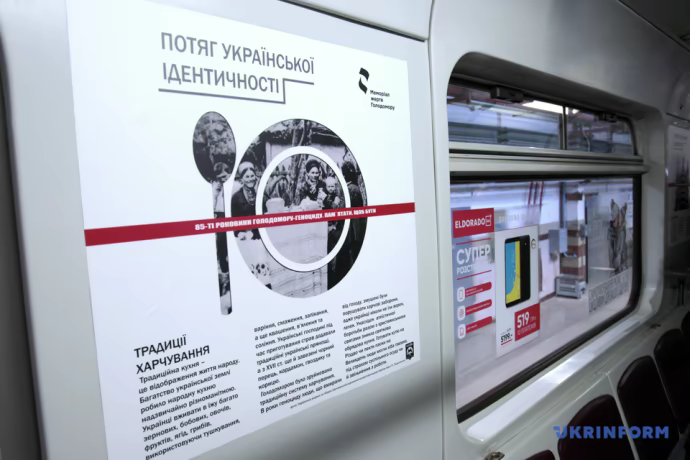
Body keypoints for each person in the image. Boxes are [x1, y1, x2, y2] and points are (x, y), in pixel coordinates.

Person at [231, 162, 260, 239]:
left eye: (252, 176)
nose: (250, 179)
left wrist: (258, 191)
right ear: (242, 179)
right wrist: (238, 233)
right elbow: (232, 221)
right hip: (246, 238)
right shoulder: (236, 197)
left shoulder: (260, 193)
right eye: (247, 177)